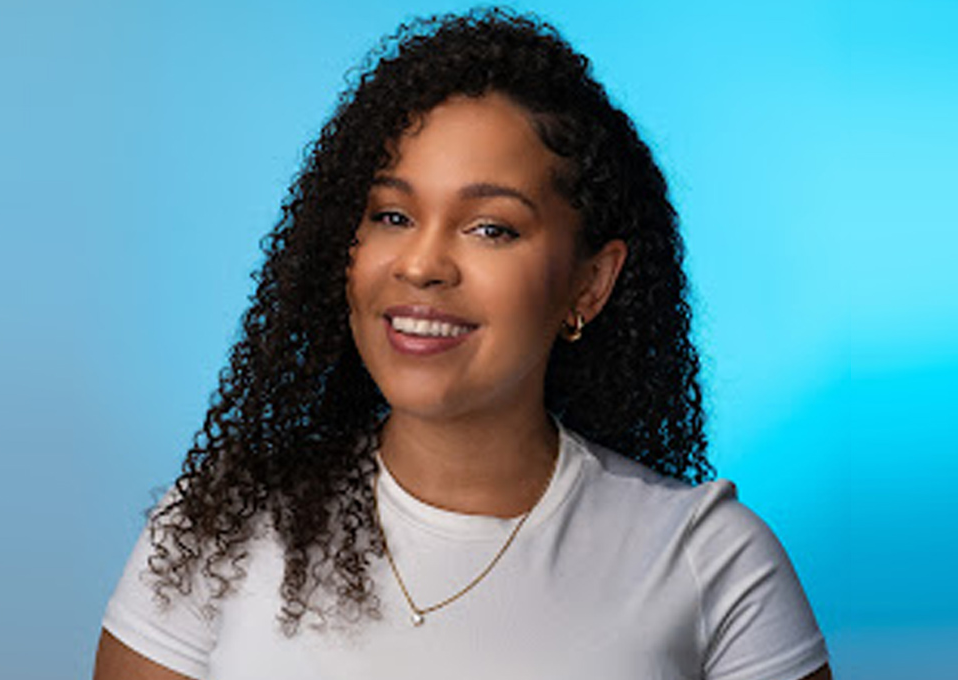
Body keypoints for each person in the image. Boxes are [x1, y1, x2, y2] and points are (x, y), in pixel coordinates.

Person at [94, 8, 831, 680]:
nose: (420, 264)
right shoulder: (221, 526)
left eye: (491, 228)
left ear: (591, 284)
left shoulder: (709, 562)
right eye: (389, 215)